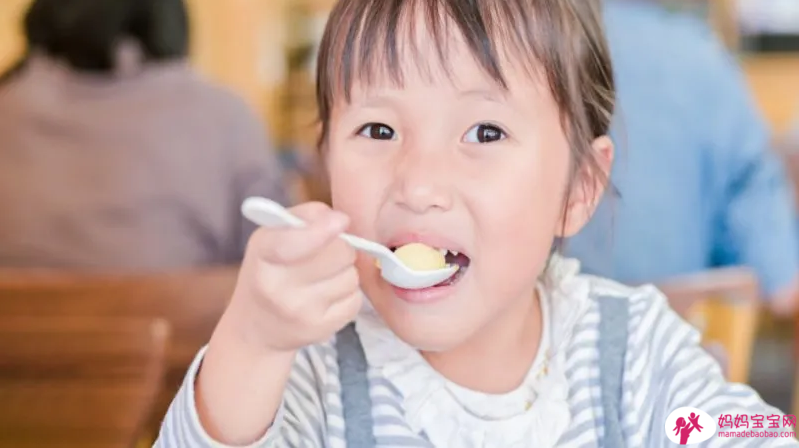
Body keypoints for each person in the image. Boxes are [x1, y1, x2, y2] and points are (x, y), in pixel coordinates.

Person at [156, 0, 794, 446]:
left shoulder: (635, 356)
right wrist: (253, 340)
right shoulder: (311, 375)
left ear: (577, 188)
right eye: (377, 129)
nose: (418, 184)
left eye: (484, 132)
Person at [0, 0, 287, 271]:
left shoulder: (8, 104)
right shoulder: (223, 115)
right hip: (190, 307)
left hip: (17, 309)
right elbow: (279, 252)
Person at [565, 0, 799, 317]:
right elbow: (782, 284)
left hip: (547, 336)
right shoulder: (703, 59)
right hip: (686, 335)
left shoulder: (530, 49)